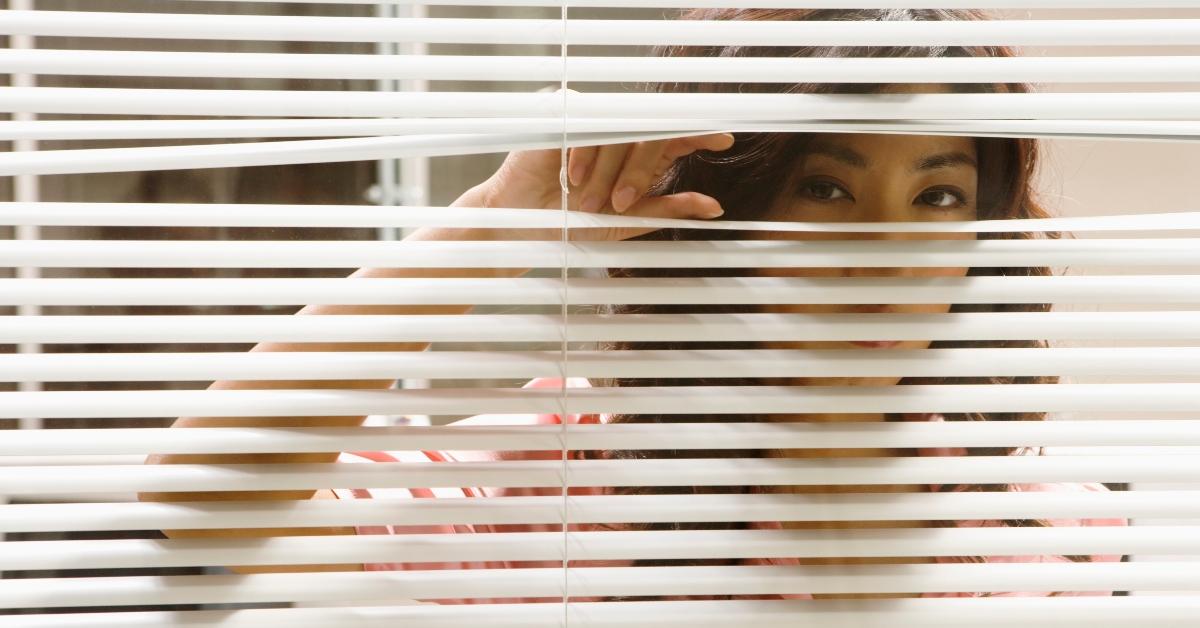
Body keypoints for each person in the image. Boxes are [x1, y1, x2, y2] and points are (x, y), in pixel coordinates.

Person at [140, 7, 1128, 603]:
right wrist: (490, 223)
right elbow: (195, 503)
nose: (884, 249)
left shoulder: (1051, 536)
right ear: (727, 203)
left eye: (938, 196)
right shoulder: (550, 473)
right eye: (827, 185)